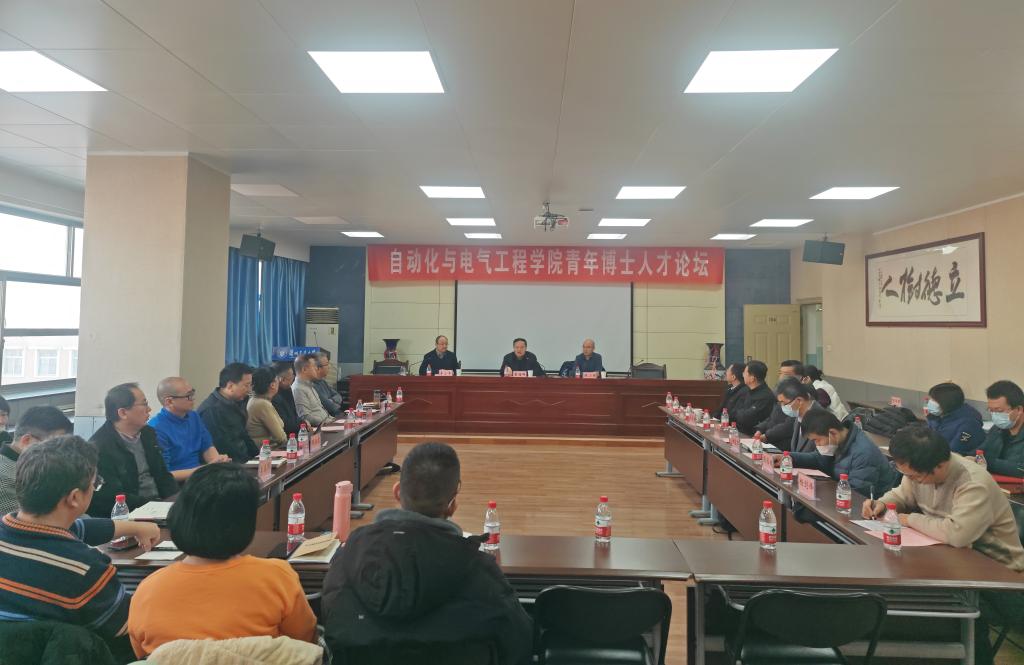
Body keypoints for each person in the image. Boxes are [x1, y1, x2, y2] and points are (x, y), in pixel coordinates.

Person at [322, 441, 532, 663]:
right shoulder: (479, 568)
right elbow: (519, 642)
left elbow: (331, 625)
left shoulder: (349, 556)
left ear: (397, 492)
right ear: (452, 504)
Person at [862, 425, 1024, 664]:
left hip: (1000, 579)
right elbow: (903, 494)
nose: (912, 480)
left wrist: (909, 519)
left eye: (915, 477)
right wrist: (883, 504)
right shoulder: (919, 469)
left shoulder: (973, 483)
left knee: (948, 607)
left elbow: (957, 534)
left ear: (939, 466)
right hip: (954, 563)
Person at [127, 463, 317, 658]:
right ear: (245, 525)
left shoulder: (147, 591)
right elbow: (305, 644)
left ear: (180, 516)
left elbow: (144, 656)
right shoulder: (277, 577)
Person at [0, 436, 159, 656]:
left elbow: (78, 528)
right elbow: (128, 628)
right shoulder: (83, 568)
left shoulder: (12, 529)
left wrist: (134, 527)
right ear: (75, 497)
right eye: (95, 483)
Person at [89, 383, 178, 518]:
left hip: (159, 506)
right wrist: (156, 506)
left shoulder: (148, 433)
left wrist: (177, 502)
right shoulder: (99, 447)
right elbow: (112, 497)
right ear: (123, 413)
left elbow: (163, 475)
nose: (149, 409)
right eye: (144, 404)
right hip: (130, 513)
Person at [785, 408, 897, 496]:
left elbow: (856, 495)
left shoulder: (863, 453)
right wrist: (789, 458)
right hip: (839, 495)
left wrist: (822, 491)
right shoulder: (836, 442)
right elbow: (818, 459)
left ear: (833, 433)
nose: (816, 444)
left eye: (817, 440)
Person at [149, 377, 228, 482]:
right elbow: (165, 475)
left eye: (192, 393)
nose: (193, 398)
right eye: (188, 396)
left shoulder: (193, 416)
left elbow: (207, 446)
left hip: (198, 476)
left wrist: (218, 463)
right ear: (169, 401)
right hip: (177, 483)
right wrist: (206, 469)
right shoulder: (156, 428)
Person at [0, 406, 73, 515]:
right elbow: (41, 519)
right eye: (54, 445)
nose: (60, 453)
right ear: (26, 440)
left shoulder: (28, 465)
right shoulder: (5, 480)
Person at [197, 363, 259, 463]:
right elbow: (223, 447)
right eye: (246, 385)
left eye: (250, 385)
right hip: (228, 465)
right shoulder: (211, 410)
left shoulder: (237, 402)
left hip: (244, 460)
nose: (249, 390)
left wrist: (258, 457)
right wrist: (247, 464)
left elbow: (244, 435)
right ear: (230, 386)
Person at [925, 381, 985, 456]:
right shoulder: (944, 413)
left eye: (934, 400)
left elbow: (953, 452)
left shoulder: (969, 423)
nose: (930, 403)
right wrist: (932, 418)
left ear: (947, 402)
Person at [752, 360, 804, 445]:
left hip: (784, 443)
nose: (782, 377)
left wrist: (767, 436)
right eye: (780, 373)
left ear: (799, 377)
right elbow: (772, 417)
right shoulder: (780, 392)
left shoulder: (799, 396)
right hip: (769, 439)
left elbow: (789, 425)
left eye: (786, 374)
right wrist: (760, 430)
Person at [979, 380, 1024, 478]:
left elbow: (1021, 469)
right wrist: (965, 457)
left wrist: (987, 462)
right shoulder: (997, 429)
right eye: (991, 410)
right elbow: (981, 451)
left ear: (1019, 410)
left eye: (999, 411)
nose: (995, 415)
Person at [775, 378, 824, 454]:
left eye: (784, 403)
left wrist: (790, 456)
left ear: (799, 400)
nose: (782, 406)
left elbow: (820, 457)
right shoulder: (799, 415)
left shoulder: (822, 420)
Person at [246, 366, 287, 446]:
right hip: (265, 450)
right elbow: (281, 437)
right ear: (272, 385)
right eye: (277, 379)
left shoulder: (258, 400)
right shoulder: (262, 404)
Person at [733, 360, 774, 435]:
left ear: (752, 378)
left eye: (745, 373)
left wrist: (739, 413)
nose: (743, 375)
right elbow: (734, 410)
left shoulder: (766, 396)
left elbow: (745, 418)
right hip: (738, 430)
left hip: (752, 435)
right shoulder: (746, 390)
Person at [292, 353, 330, 426]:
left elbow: (320, 410)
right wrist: (327, 422)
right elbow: (305, 417)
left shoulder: (310, 386)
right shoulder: (298, 389)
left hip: (326, 424)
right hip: (318, 428)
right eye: (314, 366)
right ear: (304, 369)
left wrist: (332, 420)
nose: (317, 368)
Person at [271, 361, 303, 436]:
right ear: (282, 380)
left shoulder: (287, 389)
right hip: (287, 436)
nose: (294, 378)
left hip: (296, 431)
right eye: (291, 376)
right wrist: (302, 423)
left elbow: (294, 414)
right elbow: (285, 425)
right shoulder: (273, 397)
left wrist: (302, 422)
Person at [313, 351, 343, 417]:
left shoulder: (323, 382)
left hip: (334, 415)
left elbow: (338, 396)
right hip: (327, 418)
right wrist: (334, 402)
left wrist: (331, 400)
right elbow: (330, 407)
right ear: (318, 368)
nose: (329, 367)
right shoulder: (313, 386)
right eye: (327, 364)